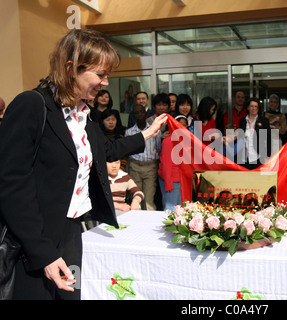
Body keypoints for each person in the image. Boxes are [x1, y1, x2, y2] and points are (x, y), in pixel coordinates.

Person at [0, 29, 167, 300]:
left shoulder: (83, 116)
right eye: (100, 74)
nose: (104, 82)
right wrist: (43, 252)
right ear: (70, 68)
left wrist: (146, 135)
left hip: (70, 233)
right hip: (32, 242)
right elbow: (11, 184)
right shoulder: (32, 105)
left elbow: (106, 150)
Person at [125, 104, 162, 211]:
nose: (139, 114)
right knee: (137, 198)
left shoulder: (154, 130)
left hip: (150, 167)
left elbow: (158, 147)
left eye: (142, 112)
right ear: (133, 115)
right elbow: (128, 151)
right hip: (135, 166)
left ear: (146, 114)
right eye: (136, 113)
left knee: (149, 199)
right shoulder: (129, 132)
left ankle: (150, 225)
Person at [158, 114, 187, 211]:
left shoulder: (186, 141)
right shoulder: (168, 141)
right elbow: (166, 164)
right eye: (179, 124)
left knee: (180, 210)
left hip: (181, 180)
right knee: (170, 209)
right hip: (171, 181)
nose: (182, 127)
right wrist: (168, 182)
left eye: (184, 125)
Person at [238, 97, 271, 170]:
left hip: (258, 156)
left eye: (256, 106)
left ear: (258, 109)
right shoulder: (242, 121)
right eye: (252, 106)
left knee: (257, 178)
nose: (254, 108)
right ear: (248, 108)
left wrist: (268, 153)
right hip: (244, 156)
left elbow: (268, 137)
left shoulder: (264, 121)